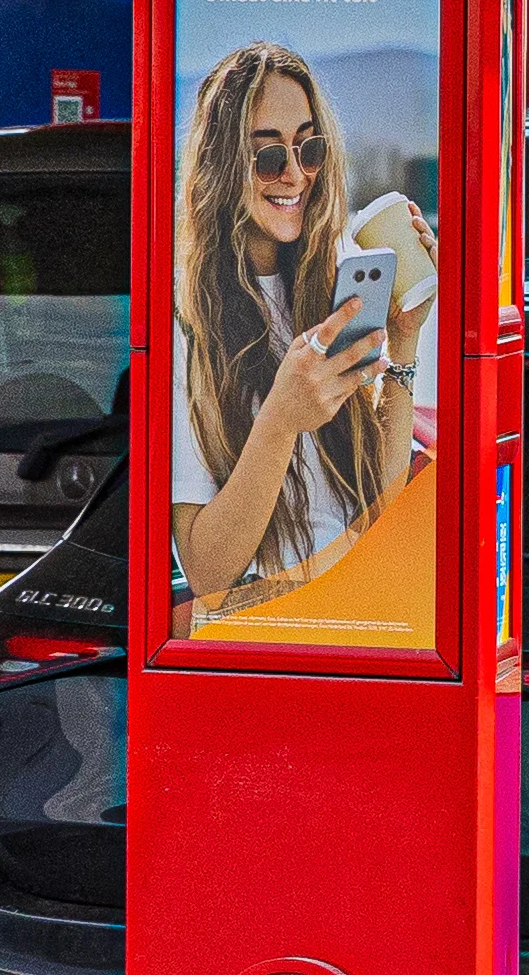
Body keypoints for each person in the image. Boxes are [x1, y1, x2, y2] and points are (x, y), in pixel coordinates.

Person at [171, 39, 431, 623]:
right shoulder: (186, 320)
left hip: (356, 619)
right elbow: (206, 574)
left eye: (308, 148)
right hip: (272, 642)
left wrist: (404, 336)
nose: (294, 173)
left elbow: (376, 504)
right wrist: (282, 417)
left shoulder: (325, 285)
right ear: (223, 163)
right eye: (267, 156)